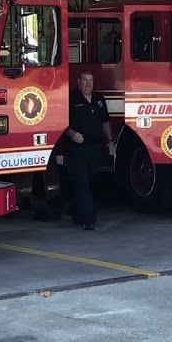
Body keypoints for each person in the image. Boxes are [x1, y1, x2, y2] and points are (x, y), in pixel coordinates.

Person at [63, 71, 114, 230]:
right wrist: (72, 134)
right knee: (82, 182)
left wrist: (111, 141)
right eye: (84, 80)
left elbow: (105, 122)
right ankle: (88, 220)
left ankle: (75, 211)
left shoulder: (99, 99)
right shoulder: (72, 98)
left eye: (90, 81)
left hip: (96, 147)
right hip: (78, 147)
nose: (87, 84)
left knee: (91, 182)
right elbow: (61, 122)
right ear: (78, 81)